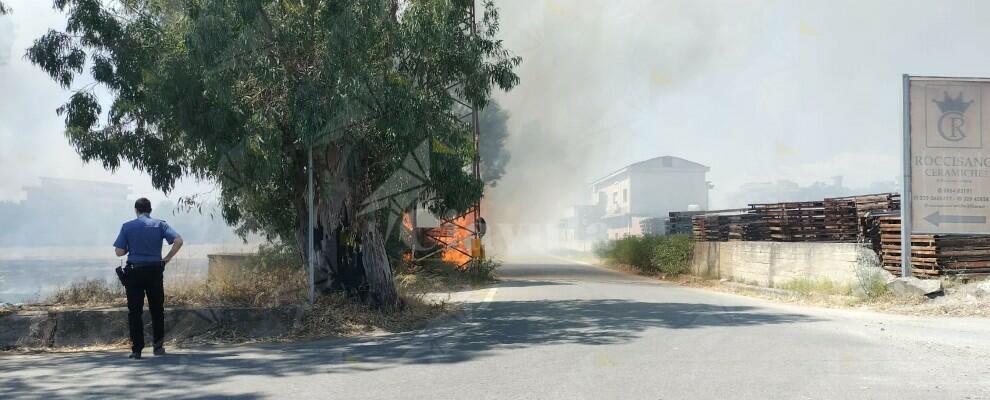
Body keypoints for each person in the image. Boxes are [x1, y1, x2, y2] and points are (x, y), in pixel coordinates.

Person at [113, 198, 183, 359]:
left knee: (135, 312)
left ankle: (137, 350)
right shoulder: (160, 225)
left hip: (134, 273)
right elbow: (178, 241)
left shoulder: (127, 226)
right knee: (157, 310)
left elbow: (119, 252)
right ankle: (158, 347)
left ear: (136, 210)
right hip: (154, 271)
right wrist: (166, 259)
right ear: (150, 210)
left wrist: (131, 247)